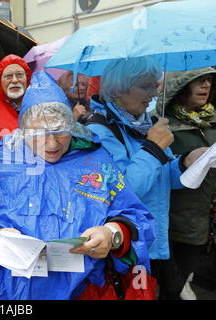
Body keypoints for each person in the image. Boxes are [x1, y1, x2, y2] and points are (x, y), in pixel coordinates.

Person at [0, 71, 154, 300]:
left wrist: (112, 234)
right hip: (16, 293)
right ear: (23, 131)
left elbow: (137, 217)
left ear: (71, 126)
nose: (51, 144)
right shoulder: (3, 163)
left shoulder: (96, 161)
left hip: (86, 290)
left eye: (60, 133)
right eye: (38, 134)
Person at [85, 57, 208, 291]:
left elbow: (162, 180)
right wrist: (153, 148)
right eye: (145, 86)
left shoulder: (145, 124)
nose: (153, 93)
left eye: (155, 85)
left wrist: (186, 162)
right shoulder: (100, 131)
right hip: (126, 247)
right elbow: (123, 191)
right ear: (119, 88)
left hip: (156, 241)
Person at [151, 67, 216, 300]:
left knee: (177, 285)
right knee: (167, 287)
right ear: (181, 85)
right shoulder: (162, 124)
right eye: (198, 81)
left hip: (202, 222)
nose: (206, 86)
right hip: (172, 222)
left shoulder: (211, 121)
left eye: (209, 80)